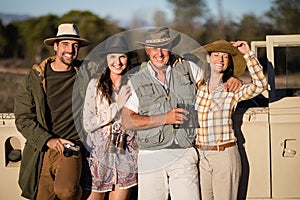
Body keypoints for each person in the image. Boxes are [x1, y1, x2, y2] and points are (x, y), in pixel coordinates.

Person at [121, 27, 241, 200]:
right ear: (147, 51)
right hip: (151, 156)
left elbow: (213, 84)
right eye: (154, 48)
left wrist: (230, 77)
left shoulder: (188, 68)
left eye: (164, 47)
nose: (159, 53)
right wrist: (164, 118)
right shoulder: (136, 80)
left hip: (185, 152)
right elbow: (127, 121)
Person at [14, 23, 90, 200]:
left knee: (66, 191)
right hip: (44, 148)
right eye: (65, 44)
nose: (70, 50)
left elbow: (117, 66)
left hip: (72, 146)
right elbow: (23, 118)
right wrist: (48, 140)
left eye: (75, 45)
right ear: (55, 46)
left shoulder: (87, 72)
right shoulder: (34, 78)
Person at [192, 40, 267, 200]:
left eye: (225, 57)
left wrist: (248, 54)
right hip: (200, 156)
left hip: (224, 154)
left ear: (229, 62)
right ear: (208, 59)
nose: (220, 59)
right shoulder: (198, 87)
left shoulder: (232, 89)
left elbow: (260, 85)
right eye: (216, 55)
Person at [81, 35, 138, 200]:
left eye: (122, 56)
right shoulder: (95, 84)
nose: (117, 62)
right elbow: (88, 123)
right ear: (106, 58)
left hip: (126, 151)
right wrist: (116, 106)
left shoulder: (135, 84)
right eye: (112, 56)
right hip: (99, 155)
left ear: (128, 58)